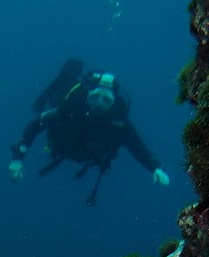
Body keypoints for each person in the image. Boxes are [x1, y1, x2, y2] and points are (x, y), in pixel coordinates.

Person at [9, 60, 170, 206]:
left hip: (88, 156)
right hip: (61, 147)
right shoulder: (69, 111)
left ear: (113, 104)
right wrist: (18, 158)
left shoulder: (118, 125)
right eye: (95, 97)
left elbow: (138, 148)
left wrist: (155, 168)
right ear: (88, 96)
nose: (99, 103)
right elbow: (36, 125)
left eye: (106, 100)